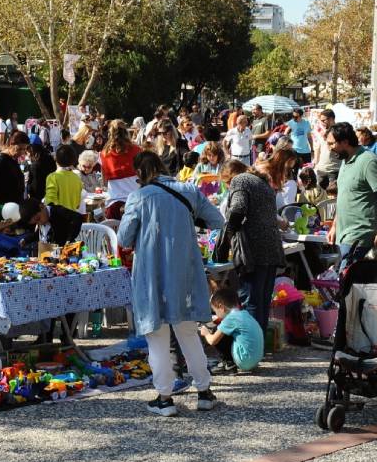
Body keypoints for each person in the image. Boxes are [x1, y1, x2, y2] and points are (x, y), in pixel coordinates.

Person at [118, 151, 224, 417]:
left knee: (157, 337)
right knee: (188, 332)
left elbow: (124, 238)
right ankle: (204, 392)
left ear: (139, 173)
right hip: (185, 274)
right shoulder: (188, 190)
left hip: (152, 275)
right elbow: (216, 220)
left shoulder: (139, 197)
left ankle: (165, 397)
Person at [212, 159, 285, 332]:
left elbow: (238, 209)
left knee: (250, 300)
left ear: (232, 176)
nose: (229, 187)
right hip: (272, 247)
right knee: (263, 300)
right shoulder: (262, 182)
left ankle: (250, 345)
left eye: (228, 183)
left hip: (253, 249)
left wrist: (227, 237)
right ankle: (259, 344)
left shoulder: (241, 180)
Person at [326, 123, 377, 260]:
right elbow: (345, 196)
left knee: (349, 278)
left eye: (332, 144)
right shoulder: (346, 161)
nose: (330, 148)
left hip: (361, 238)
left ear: (345, 142)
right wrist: (334, 226)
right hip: (344, 236)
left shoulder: (369, 161)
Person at [200, 288, 263, 376]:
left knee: (217, 330)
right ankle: (231, 362)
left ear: (221, 307)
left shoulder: (231, 318)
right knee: (225, 330)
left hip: (245, 361)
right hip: (255, 359)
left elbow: (212, 341)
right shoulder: (244, 313)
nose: (216, 314)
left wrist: (206, 333)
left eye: (215, 311)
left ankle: (229, 364)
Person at [99, 120, 141, 220]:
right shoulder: (137, 150)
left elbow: (104, 182)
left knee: (113, 234)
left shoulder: (104, 154)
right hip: (136, 202)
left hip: (114, 204)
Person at [0, 130, 29, 205]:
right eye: (19, 149)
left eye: (24, 149)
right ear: (11, 144)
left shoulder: (13, 159)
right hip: (4, 207)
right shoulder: (0, 161)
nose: (22, 152)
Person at [45, 144, 83, 215]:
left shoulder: (52, 177)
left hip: (58, 219)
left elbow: (50, 202)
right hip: (73, 219)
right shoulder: (77, 178)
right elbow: (78, 204)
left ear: (56, 159)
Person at [312, 108, 342, 183]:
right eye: (320, 121)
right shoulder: (321, 131)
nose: (321, 123)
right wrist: (316, 163)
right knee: (320, 194)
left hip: (334, 170)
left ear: (331, 119)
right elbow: (318, 148)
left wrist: (328, 139)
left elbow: (341, 149)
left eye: (323, 120)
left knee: (332, 194)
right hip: (321, 170)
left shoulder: (340, 131)